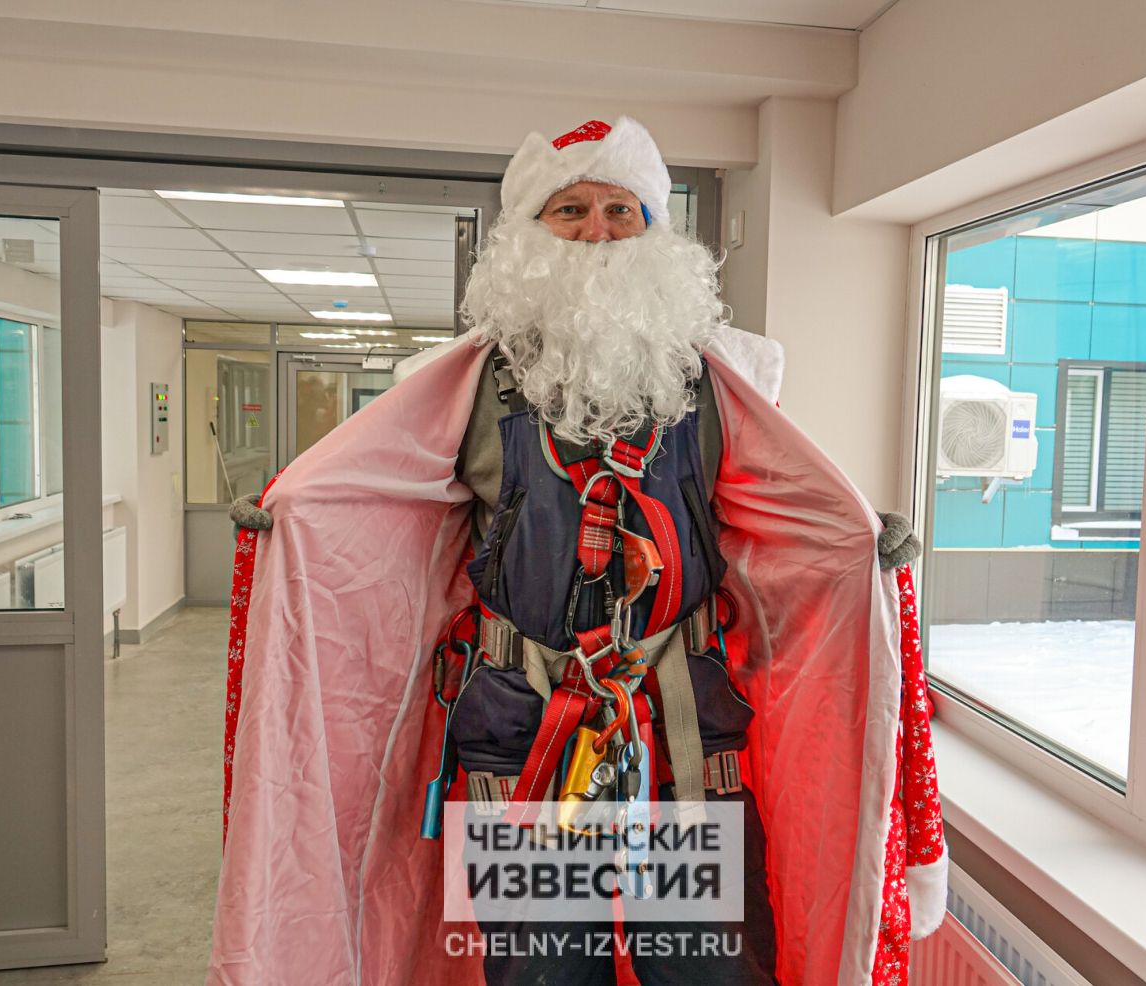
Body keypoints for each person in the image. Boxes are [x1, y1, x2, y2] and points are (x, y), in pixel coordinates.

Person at [210, 117, 945, 986]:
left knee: (698, 968)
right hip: (519, 733)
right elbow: (377, 510)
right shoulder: (452, 385)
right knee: (540, 971)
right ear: (527, 234)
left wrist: (859, 544)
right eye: (569, 210)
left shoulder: (734, 376)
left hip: (679, 733)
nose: (596, 230)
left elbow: (783, 517)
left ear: (653, 229)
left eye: (619, 210)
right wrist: (292, 524)